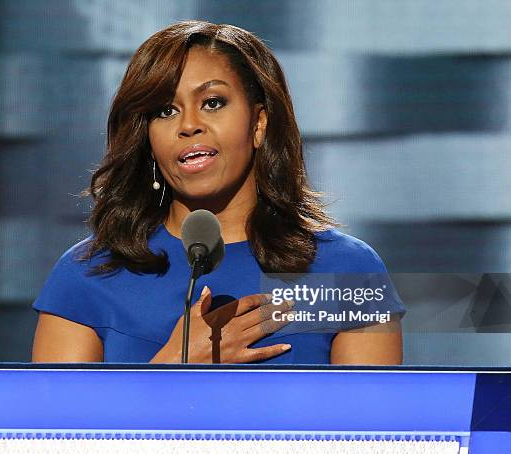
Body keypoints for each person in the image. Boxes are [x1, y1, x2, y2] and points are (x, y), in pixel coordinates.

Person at [31, 20, 405, 364]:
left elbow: (376, 431)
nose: (189, 124)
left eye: (212, 103)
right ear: (146, 138)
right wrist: (170, 369)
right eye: (165, 111)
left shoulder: (347, 271)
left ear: (259, 123)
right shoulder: (88, 274)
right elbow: (55, 433)